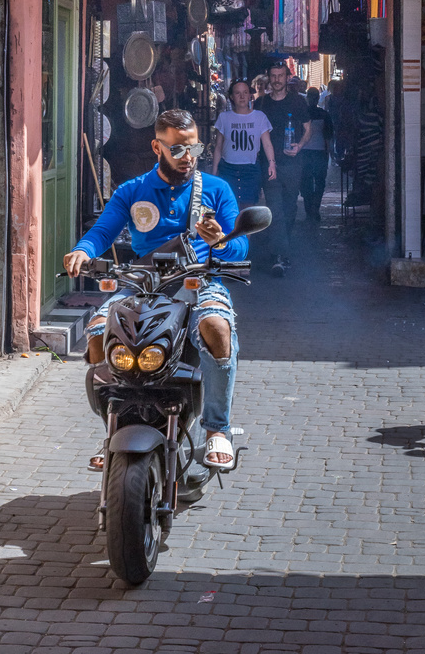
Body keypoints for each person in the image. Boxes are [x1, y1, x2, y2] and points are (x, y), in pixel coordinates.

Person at [63, 109, 249, 472]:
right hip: (143, 282)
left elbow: (240, 250)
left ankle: (216, 428)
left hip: (201, 281)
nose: (187, 158)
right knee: (99, 335)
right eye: (178, 150)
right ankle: (113, 429)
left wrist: (221, 241)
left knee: (217, 327)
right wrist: (84, 250)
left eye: (193, 149)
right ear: (156, 147)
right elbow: (103, 231)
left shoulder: (216, 189)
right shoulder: (133, 191)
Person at [255, 62, 311, 278]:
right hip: (269, 165)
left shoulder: (298, 102)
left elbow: (308, 129)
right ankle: (279, 257)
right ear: (269, 78)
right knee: (275, 209)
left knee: (289, 209)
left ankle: (282, 247)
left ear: (287, 77)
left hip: (293, 164)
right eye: (273, 75)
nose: (277, 79)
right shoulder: (261, 103)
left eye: (280, 75)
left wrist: (300, 145)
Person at [212, 79, 276, 209]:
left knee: (248, 209)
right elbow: (218, 147)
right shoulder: (224, 118)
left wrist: (272, 163)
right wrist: (214, 173)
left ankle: (245, 230)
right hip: (228, 169)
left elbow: (267, 143)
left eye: (245, 92)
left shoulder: (260, 117)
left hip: (251, 170)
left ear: (249, 95)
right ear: (231, 97)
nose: (242, 96)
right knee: (229, 207)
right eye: (237, 93)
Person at [300, 86, 334, 223]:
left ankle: (310, 210)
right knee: (319, 182)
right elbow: (328, 137)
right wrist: (328, 154)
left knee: (306, 182)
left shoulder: (303, 114)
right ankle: (314, 209)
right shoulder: (324, 115)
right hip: (319, 153)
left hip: (306, 153)